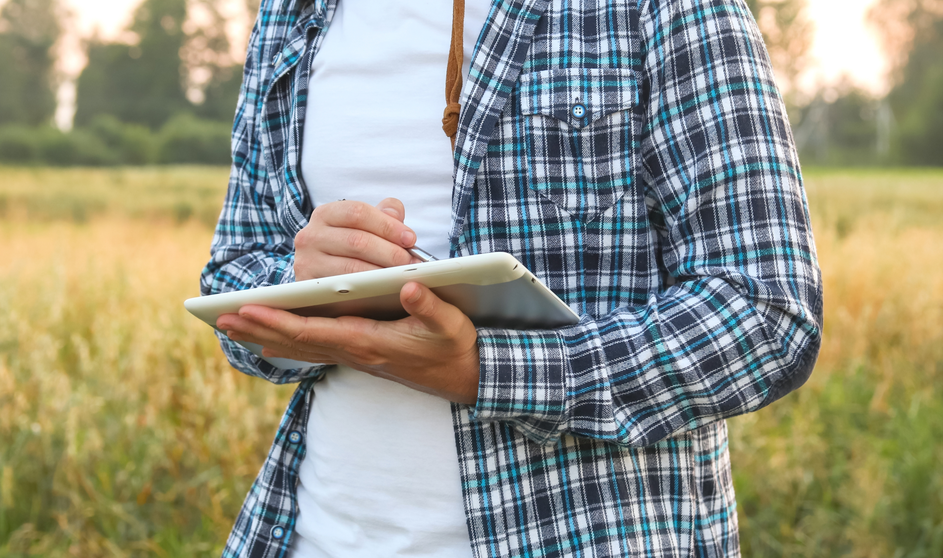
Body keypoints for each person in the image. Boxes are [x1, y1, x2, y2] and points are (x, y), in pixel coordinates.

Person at [201, 0, 823, 556]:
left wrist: (483, 370)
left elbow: (768, 314)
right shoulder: (291, 13)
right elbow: (234, 280)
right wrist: (305, 284)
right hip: (319, 532)